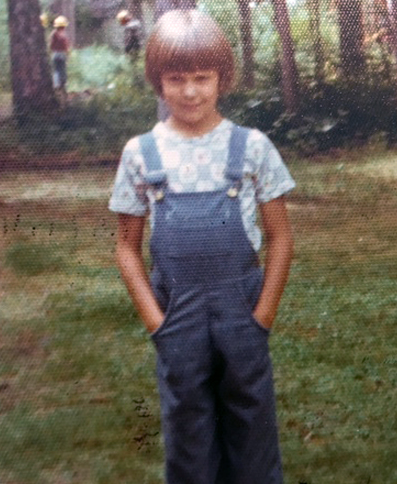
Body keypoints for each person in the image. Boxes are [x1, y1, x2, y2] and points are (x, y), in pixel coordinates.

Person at [109, 9, 295, 484]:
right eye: (176, 79)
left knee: (251, 435)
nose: (190, 91)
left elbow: (281, 237)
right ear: (158, 81)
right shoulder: (141, 153)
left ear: (222, 78)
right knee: (189, 443)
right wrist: (157, 322)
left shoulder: (252, 147)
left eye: (201, 77)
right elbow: (127, 248)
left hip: (242, 313)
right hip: (178, 317)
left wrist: (263, 316)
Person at [49, 15, 71, 102]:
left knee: (56, 70)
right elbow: (66, 47)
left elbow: (51, 46)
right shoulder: (64, 35)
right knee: (62, 70)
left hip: (55, 54)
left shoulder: (53, 34)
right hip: (62, 54)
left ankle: (56, 84)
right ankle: (63, 84)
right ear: (64, 26)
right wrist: (68, 54)